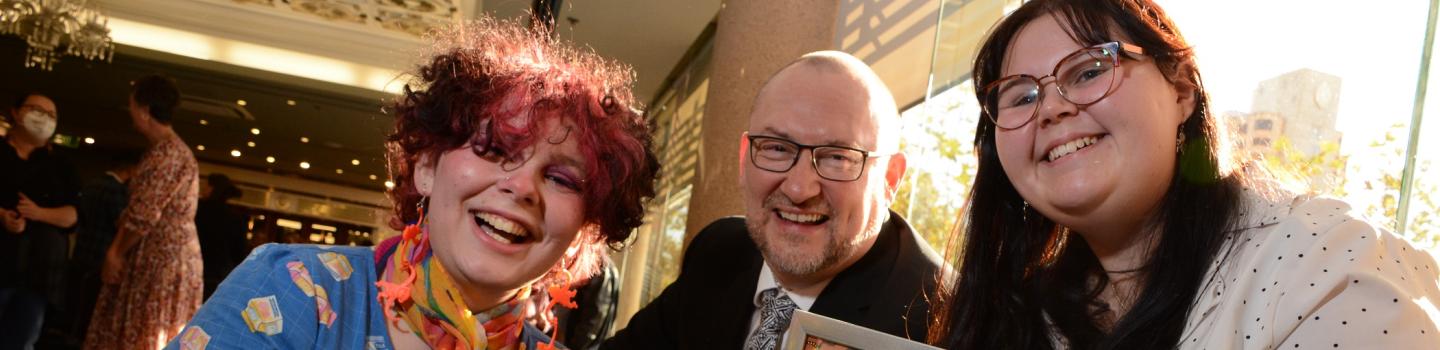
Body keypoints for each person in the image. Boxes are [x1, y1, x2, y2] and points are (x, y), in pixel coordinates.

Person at [928, 0, 1440, 348]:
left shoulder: (1325, 264)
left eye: (1088, 70)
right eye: (1020, 95)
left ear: (1180, 91)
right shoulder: (1022, 310)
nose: (1052, 108)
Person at [163, 17, 658, 349]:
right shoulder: (295, 291)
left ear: (584, 231)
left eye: (560, 177)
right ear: (425, 164)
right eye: (495, 149)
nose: (522, 186)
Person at [606, 51, 942, 350]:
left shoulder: (945, 321)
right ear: (744, 158)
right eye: (777, 148)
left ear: (890, 179)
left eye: (838, 158)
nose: (798, 189)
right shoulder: (719, 252)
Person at [85, 75, 204, 350]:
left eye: (132, 104)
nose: (130, 111)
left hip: (161, 261)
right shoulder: (164, 152)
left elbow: (143, 215)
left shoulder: (169, 155)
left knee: (146, 333)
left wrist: (115, 252)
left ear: (145, 109)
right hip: (159, 257)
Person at [0, 93, 80, 350]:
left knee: (22, 341)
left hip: (39, 275)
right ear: (16, 112)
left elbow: (74, 215)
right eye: (37, 110)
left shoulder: (61, 166)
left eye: (51, 115)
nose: (44, 118)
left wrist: (38, 213)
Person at [61, 148, 143, 348]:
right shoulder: (117, 191)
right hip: (103, 255)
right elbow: (122, 224)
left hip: (81, 249)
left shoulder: (92, 183)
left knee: (74, 301)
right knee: (90, 307)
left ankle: (67, 336)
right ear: (131, 169)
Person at [195, 173, 249, 298]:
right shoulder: (235, 218)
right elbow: (239, 254)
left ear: (212, 188)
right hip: (219, 276)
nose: (202, 188)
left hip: (194, 270)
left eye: (205, 185)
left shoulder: (197, 210)